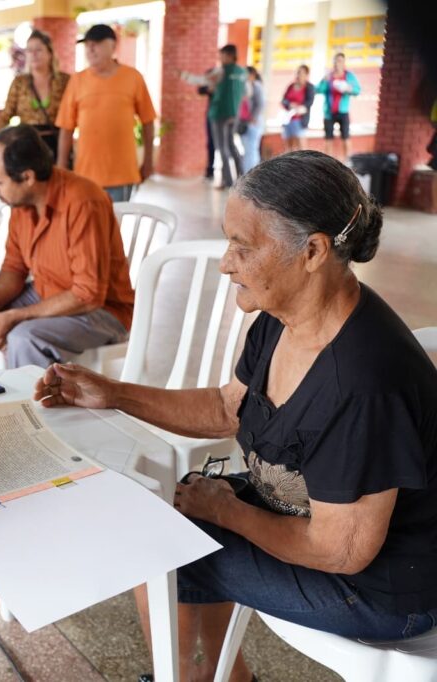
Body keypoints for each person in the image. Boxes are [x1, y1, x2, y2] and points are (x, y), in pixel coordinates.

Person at [35, 150, 437, 681]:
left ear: (313, 251)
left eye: (242, 247)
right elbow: (229, 408)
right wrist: (111, 393)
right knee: (171, 513)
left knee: (157, 548)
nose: (226, 262)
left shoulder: (362, 382)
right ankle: (216, 676)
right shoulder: (284, 317)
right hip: (314, 521)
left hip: (385, 586)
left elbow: (339, 551)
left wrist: (229, 511)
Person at [0, 125, 134, 368]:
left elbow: (87, 295)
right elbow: (14, 268)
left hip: (102, 310)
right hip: (48, 292)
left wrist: (14, 316)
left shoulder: (84, 202)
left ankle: (28, 406)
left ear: (27, 177)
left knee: (24, 338)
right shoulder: (21, 202)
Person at [55, 24, 156, 202]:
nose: (90, 49)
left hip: (122, 173)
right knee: (87, 227)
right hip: (85, 174)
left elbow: (148, 121)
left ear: (113, 46)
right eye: (87, 45)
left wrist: (148, 161)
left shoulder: (133, 77)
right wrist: (62, 164)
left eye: (97, 44)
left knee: (114, 227)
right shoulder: (77, 80)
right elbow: (66, 127)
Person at [0, 28, 71, 156]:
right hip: (27, 145)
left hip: (57, 144)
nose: (34, 54)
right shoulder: (20, 82)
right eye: (29, 50)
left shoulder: (64, 81)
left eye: (39, 50)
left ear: (50, 53)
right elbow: (5, 115)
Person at [206, 44, 246, 190]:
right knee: (231, 145)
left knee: (221, 148)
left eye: (222, 55)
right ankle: (243, 180)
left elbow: (203, 81)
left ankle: (228, 182)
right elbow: (247, 93)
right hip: (234, 114)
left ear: (229, 56)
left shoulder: (221, 71)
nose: (220, 58)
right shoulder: (242, 72)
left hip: (219, 113)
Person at [318, 53, 362, 162]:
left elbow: (357, 90)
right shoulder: (329, 76)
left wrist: (347, 88)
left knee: (346, 138)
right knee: (328, 139)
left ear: (343, 63)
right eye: (335, 61)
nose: (337, 63)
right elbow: (318, 90)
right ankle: (327, 163)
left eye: (340, 61)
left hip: (343, 112)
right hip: (329, 112)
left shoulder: (349, 76)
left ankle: (348, 163)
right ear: (333, 62)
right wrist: (324, 80)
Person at [281, 65, 315, 152]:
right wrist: (290, 105)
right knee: (288, 147)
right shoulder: (291, 86)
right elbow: (284, 100)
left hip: (299, 120)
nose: (298, 75)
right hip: (288, 119)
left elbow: (309, 102)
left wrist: (300, 108)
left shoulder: (309, 87)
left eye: (301, 73)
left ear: (306, 75)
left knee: (301, 147)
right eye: (297, 72)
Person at [239, 66, 265, 171]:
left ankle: (251, 173)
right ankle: (248, 173)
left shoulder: (257, 86)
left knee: (252, 150)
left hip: (253, 123)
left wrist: (253, 117)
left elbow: (260, 104)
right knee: (247, 150)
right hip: (244, 123)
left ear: (252, 75)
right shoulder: (244, 87)